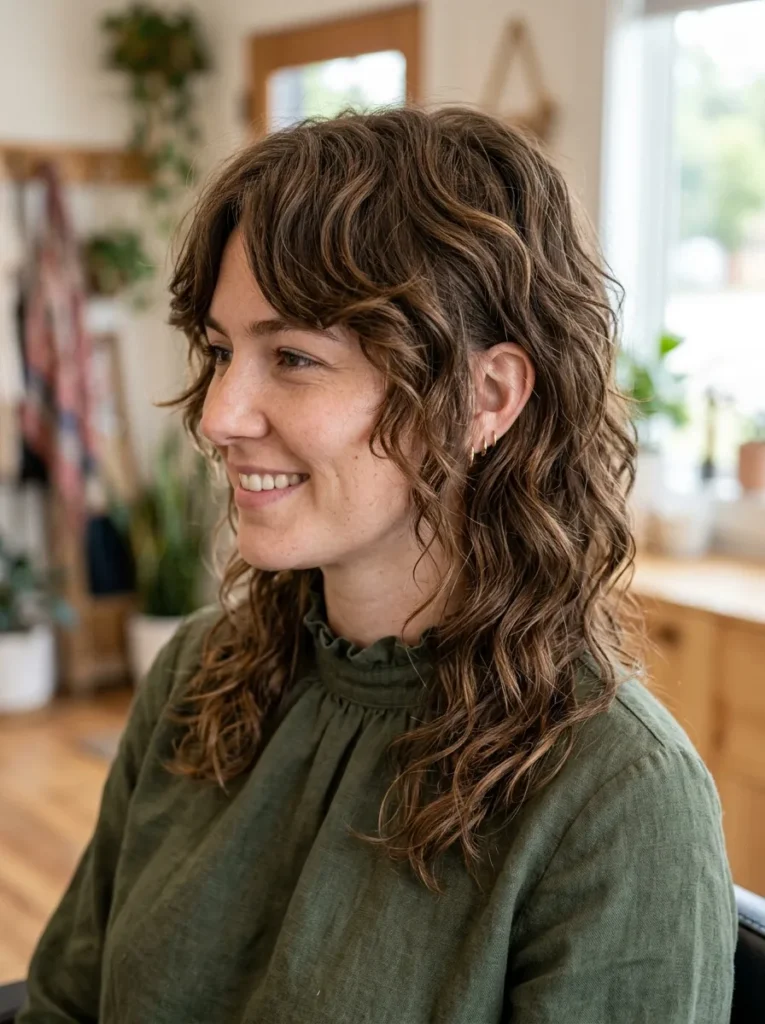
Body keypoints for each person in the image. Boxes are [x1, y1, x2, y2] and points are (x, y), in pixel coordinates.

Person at [18, 107, 736, 1024]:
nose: (220, 415)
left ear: (485, 397)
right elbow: (64, 1007)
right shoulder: (196, 675)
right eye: (222, 351)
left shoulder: (615, 798)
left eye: (293, 357)